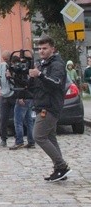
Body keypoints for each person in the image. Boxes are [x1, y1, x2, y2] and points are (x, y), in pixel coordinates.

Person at [28, 35, 71, 182]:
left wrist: (40, 75)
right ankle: (59, 170)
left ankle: (62, 166)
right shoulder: (41, 63)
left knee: (38, 136)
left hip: (50, 106)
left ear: (52, 49)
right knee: (51, 137)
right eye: (39, 48)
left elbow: (56, 83)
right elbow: (36, 86)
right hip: (42, 104)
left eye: (44, 48)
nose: (41, 51)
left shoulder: (57, 64)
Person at [0, 50, 15, 148]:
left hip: (13, 94)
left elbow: (18, 80)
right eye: (4, 59)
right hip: (3, 95)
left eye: (7, 60)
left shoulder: (15, 66)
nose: (5, 61)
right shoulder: (1, 66)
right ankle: (3, 139)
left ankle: (18, 139)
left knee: (18, 118)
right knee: (3, 118)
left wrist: (11, 76)